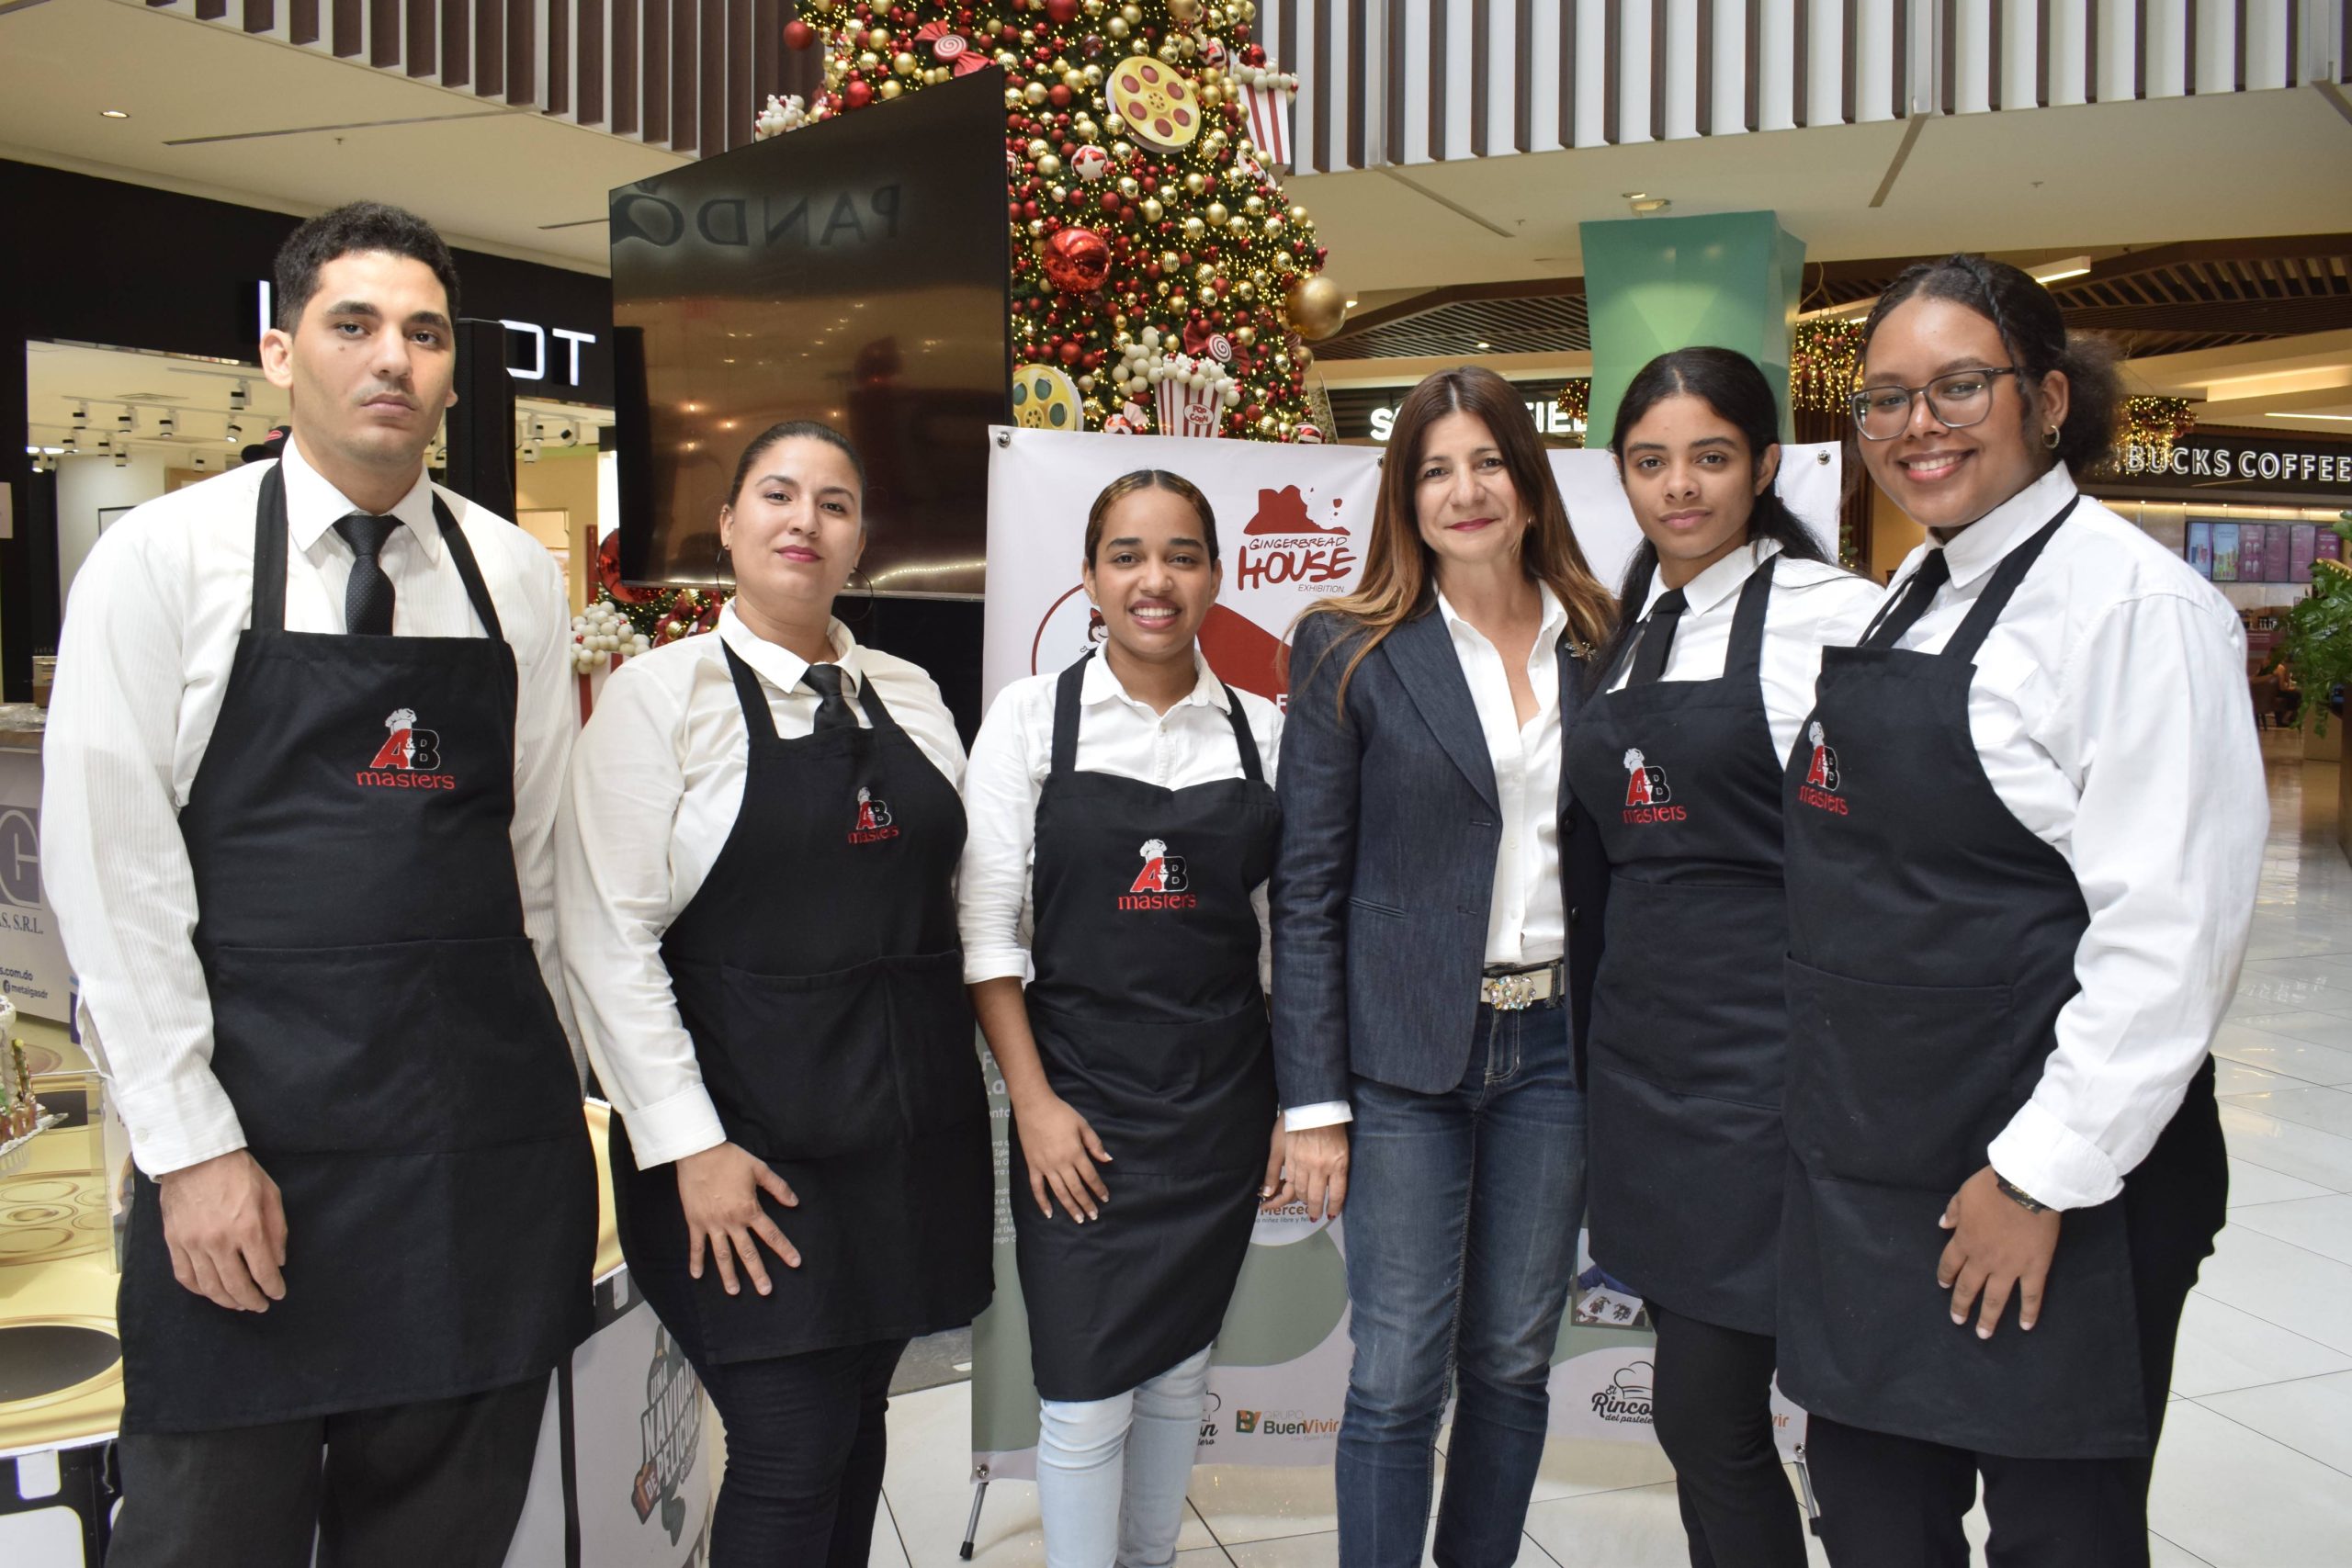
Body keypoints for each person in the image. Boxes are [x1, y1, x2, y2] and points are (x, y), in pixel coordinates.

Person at [41, 203, 594, 1567]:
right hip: (253, 1164)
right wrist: (191, 1150)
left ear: (455, 368)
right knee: (201, 1538)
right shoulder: (163, 562)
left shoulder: (516, 578)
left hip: (475, 1163)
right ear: (281, 352)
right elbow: (110, 874)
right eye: (354, 326)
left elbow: (534, 872)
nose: (391, 360)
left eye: (422, 332)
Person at [1781, 254, 2265, 1566]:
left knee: (2060, 1532)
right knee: (1876, 1509)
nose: (1914, 424)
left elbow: (2173, 933)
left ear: (2048, 398)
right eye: (1884, 396)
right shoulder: (1922, 587)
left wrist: (2039, 1174)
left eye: (1956, 387)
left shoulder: (2132, 607)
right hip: (1886, 1164)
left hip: (2043, 1171)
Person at [557, 421, 991, 1566]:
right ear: (730, 526)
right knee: (790, 1444)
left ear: (860, 543)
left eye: (836, 503)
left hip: (903, 1143)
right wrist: (688, 1147)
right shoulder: (661, 699)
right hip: (747, 1158)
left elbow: (973, 897)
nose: (806, 521)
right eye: (779, 496)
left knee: (855, 1425)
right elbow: (608, 940)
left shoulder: (907, 689)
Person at [1272, 366, 1617, 1568]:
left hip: (1559, 1052)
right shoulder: (1350, 647)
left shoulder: (1607, 636)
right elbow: (1308, 892)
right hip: (1407, 1059)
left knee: (1514, 1361)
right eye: (1432, 468)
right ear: (1403, 496)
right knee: (1399, 1370)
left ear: (1528, 480)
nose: (1462, 489)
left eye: (1484, 461)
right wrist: (1313, 1102)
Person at [1564, 348, 1882, 1568]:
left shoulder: (1832, 616)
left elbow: (1892, 846)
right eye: (1652, 461)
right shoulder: (1627, 633)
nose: (1680, 487)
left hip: (1781, 1063)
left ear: (1763, 464)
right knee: (1703, 1417)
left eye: (1709, 457)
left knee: (1812, 1420)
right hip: (1648, 1061)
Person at [959, 471, 1288, 1568]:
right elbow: (988, 932)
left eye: (1183, 555)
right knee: (1086, 1396)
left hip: (1219, 1103)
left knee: (1180, 1374)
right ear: (1091, 578)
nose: (1156, 581)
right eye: (1129, 556)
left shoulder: (1265, 732)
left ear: (1216, 574)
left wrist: (1294, 1109)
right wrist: (1036, 1107)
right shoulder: (1027, 716)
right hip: (1081, 1110)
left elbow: (1288, 941)